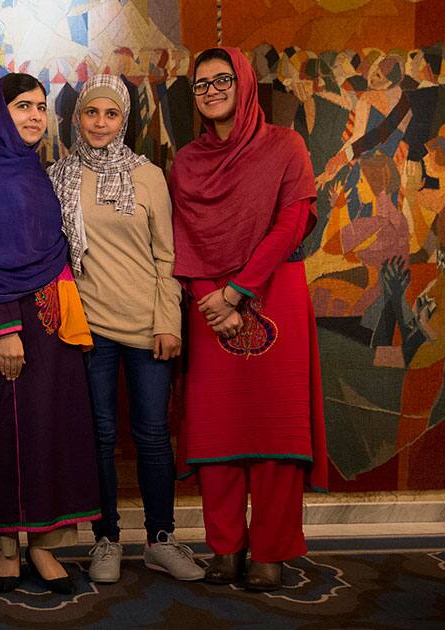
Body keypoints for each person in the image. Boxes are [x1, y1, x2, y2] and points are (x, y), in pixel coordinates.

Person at [168, 47, 328, 592]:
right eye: (200, 84)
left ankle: (271, 551)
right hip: (208, 303)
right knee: (218, 432)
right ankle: (226, 548)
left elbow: (293, 220)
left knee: (275, 429)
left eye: (222, 80)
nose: (211, 90)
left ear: (244, 83)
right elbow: (182, 237)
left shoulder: (286, 146)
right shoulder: (186, 162)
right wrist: (211, 296)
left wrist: (238, 290)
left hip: (273, 293)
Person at [48, 73, 205, 585]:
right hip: (90, 328)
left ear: (124, 120)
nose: (100, 122)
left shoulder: (148, 176)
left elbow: (167, 256)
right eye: (91, 113)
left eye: (110, 114)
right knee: (99, 436)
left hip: (146, 326)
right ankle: (106, 538)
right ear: (78, 118)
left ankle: (161, 539)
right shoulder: (58, 175)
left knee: (154, 435)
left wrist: (168, 322)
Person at [0, 72, 100, 595]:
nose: (36, 115)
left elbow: (50, 247)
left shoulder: (34, 170)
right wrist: (3, 331)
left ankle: (43, 544)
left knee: (52, 432)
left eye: (41, 106)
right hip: (12, 324)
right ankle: (7, 544)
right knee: (7, 431)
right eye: (22, 106)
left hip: (52, 324)